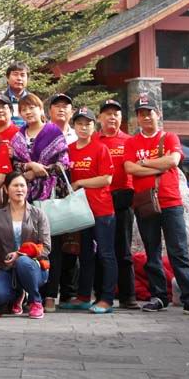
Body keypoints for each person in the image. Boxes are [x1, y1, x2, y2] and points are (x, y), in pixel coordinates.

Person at [124, 94, 189, 316]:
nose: (145, 117)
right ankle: (158, 297)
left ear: (158, 114)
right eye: (141, 114)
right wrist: (158, 166)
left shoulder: (169, 137)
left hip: (171, 202)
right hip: (145, 203)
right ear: (137, 118)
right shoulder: (132, 142)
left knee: (178, 251)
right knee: (151, 252)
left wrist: (144, 163)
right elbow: (130, 168)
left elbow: (173, 161)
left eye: (149, 112)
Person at [8, 93, 71, 310]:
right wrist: (28, 166)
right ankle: (30, 293)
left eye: (32, 107)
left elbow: (64, 164)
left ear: (40, 109)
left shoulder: (53, 132)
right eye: (24, 109)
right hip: (25, 197)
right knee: (28, 244)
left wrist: (37, 170)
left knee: (51, 245)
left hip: (50, 195)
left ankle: (50, 294)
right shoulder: (18, 137)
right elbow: (14, 164)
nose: (28, 112)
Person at [60, 107, 116, 314]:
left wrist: (80, 183)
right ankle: (83, 296)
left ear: (95, 126)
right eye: (80, 124)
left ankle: (107, 299)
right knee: (84, 254)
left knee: (106, 254)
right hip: (79, 212)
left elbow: (106, 179)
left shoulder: (101, 148)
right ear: (73, 126)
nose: (83, 128)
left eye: (88, 124)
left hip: (101, 210)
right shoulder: (69, 150)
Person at [0, 172, 51, 318]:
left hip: (34, 267)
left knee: (23, 261)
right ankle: (19, 294)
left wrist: (20, 254)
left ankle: (35, 302)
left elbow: (46, 247)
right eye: (15, 186)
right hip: (8, 269)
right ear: (6, 189)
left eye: (22, 185)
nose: (19, 189)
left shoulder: (38, 214)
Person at [96, 98, 137, 307]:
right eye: (107, 113)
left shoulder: (130, 141)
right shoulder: (94, 140)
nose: (112, 117)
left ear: (121, 117)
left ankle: (128, 296)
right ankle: (101, 294)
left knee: (123, 250)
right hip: (98, 200)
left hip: (123, 198)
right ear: (99, 118)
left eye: (116, 114)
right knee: (100, 250)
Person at [2, 62, 30, 127]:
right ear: (7, 78)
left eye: (22, 75)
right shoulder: (0, 100)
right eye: (15, 74)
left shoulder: (33, 100)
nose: (19, 78)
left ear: (27, 79)